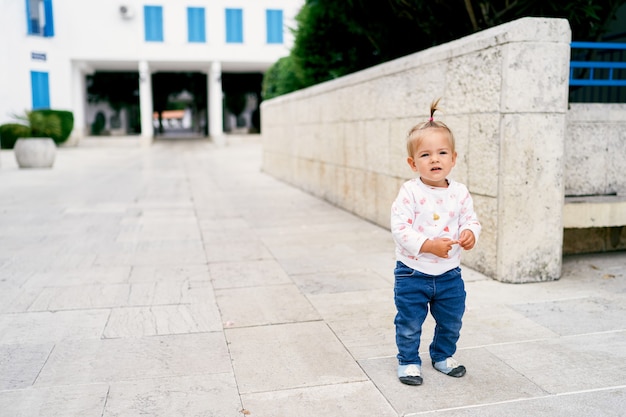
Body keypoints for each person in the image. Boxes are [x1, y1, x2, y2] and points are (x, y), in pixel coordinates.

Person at [390, 98, 481, 386]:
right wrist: (428, 245)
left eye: (442, 153)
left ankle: (442, 356)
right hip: (412, 273)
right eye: (426, 155)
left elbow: (471, 220)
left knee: (452, 319)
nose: (435, 160)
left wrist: (470, 234)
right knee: (409, 323)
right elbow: (400, 228)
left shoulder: (460, 192)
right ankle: (408, 361)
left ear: (453, 158)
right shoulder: (410, 192)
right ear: (412, 162)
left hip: (449, 274)